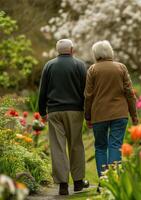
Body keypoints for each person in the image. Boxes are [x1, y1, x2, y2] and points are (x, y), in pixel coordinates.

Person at [38, 39, 89, 195]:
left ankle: (63, 185)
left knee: (58, 148)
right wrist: (87, 112)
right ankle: (79, 182)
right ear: (72, 49)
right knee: (76, 145)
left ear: (57, 50)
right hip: (75, 111)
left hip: (54, 111)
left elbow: (43, 90)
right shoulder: (80, 65)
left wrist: (42, 112)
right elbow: (86, 90)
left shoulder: (49, 65)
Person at [84, 40, 138, 187]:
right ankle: (114, 182)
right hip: (119, 114)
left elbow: (88, 95)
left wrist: (87, 116)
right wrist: (134, 116)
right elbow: (129, 93)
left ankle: (104, 182)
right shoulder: (121, 68)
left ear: (96, 54)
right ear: (110, 52)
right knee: (115, 146)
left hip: (99, 115)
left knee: (101, 147)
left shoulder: (92, 70)